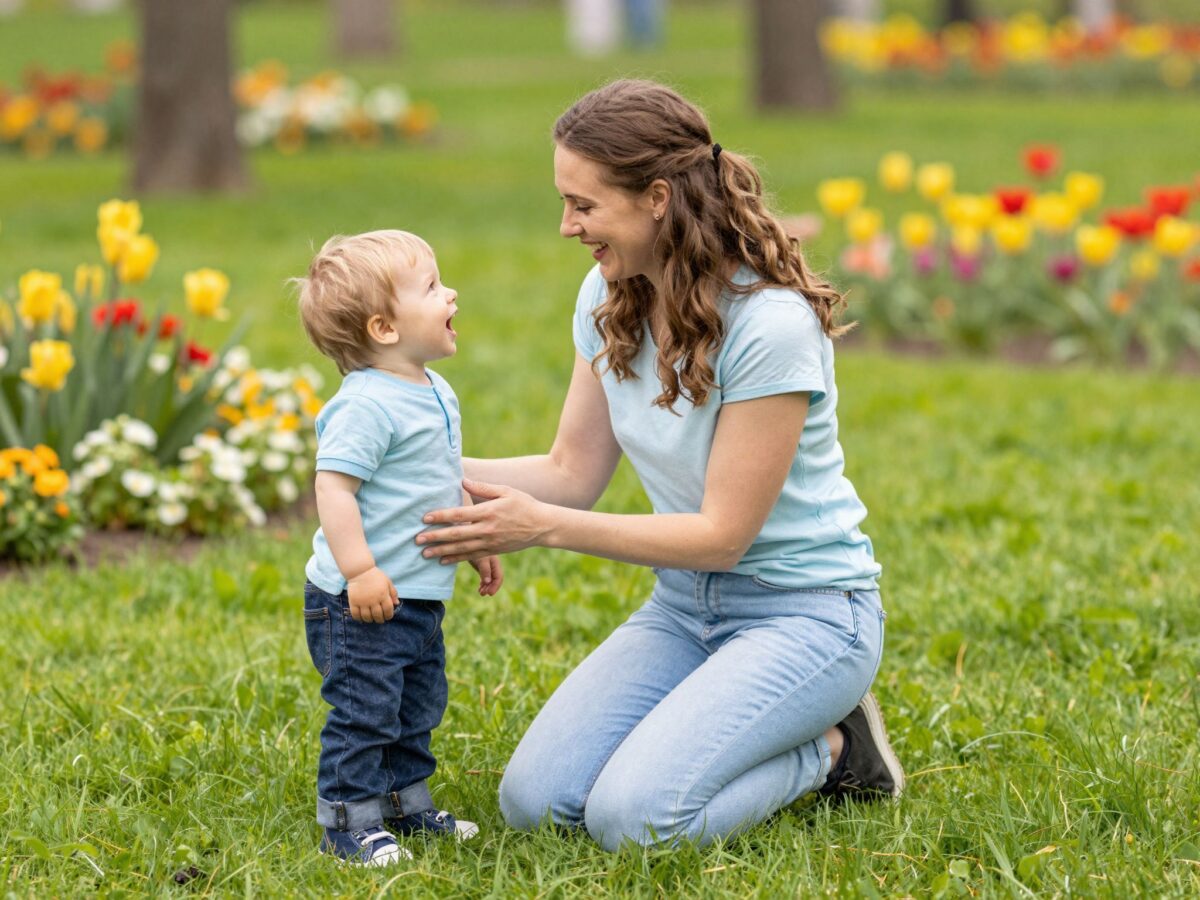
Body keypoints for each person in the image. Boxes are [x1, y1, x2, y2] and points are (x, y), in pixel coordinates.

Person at [416, 80, 904, 852]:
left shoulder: (769, 324)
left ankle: (836, 751)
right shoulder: (609, 291)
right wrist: (415, 473)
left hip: (806, 616)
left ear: (657, 199)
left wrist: (541, 529)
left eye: (583, 205)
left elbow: (722, 537)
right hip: (684, 608)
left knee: (637, 821)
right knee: (535, 804)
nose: (566, 226)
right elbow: (570, 470)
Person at [294, 230, 503, 865]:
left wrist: (470, 535)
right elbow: (333, 489)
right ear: (384, 328)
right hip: (359, 600)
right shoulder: (365, 405)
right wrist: (360, 570)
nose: (451, 294)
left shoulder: (434, 388)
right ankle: (347, 822)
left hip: (415, 595)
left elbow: (436, 476)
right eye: (433, 287)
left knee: (416, 706)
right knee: (366, 713)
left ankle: (404, 805)